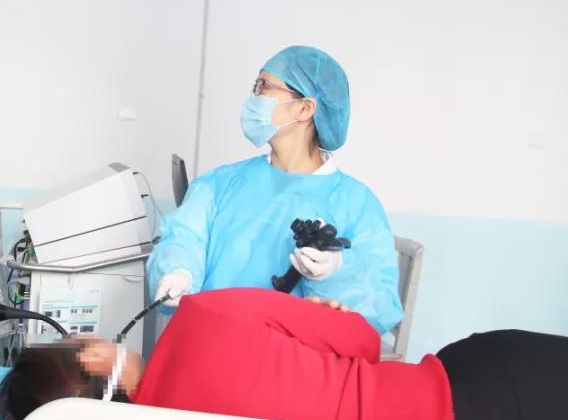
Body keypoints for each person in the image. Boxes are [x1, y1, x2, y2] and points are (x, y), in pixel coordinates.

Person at [0, 289, 568, 420]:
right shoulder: (203, 316)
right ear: (94, 355)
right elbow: (363, 341)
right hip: (493, 391)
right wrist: (326, 318)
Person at [148, 45, 402, 333]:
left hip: (294, 355)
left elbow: (380, 306)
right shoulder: (219, 183)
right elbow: (182, 238)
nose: (254, 97)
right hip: (212, 343)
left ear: (305, 108)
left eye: (264, 86)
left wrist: (336, 271)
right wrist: (179, 271)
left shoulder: (357, 204)